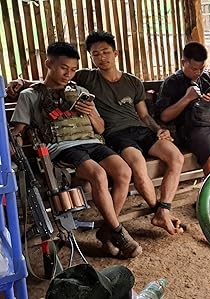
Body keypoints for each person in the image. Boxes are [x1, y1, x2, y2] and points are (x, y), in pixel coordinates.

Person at [8, 32, 185, 236]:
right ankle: (125, 227)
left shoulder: (121, 83)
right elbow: (50, 83)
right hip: (99, 140)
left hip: (121, 135)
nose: (102, 57)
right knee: (128, 167)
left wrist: (158, 129)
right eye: (96, 54)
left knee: (168, 159)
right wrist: (22, 82)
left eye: (105, 52)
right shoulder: (85, 78)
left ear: (115, 53)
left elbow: (140, 117)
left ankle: (158, 211)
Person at [10, 42, 141, 258]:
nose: (68, 74)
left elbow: (100, 128)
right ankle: (118, 232)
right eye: (63, 68)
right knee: (98, 175)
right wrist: (12, 145)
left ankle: (108, 230)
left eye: (72, 70)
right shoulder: (31, 95)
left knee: (124, 172)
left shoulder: (81, 91)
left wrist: (91, 113)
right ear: (48, 64)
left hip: (92, 142)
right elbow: (19, 130)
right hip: (62, 147)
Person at [156, 42, 210, 176]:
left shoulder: (207, 77)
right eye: (194, 69)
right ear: (183, 62)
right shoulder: (172, 83)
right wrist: (186, 99)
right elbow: (164, 116)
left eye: (202, 68)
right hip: (194, 128)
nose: (198, 72)